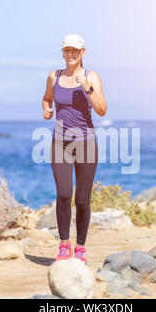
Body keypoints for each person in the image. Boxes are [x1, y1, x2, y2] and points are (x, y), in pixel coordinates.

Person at [41, 34, 107, 265]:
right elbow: (47, 99)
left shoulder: (92, 77)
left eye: (75, 51)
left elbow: (101, 110)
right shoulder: (54, 76)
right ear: (62, 52)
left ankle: (80, 248)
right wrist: (46, 110)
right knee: (63, 194)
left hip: (86, 143)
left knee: (82, 199)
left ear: (83, 53)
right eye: (66, 50)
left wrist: (88, 88)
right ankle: (63, 245)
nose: (70, 55)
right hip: (60, 142)